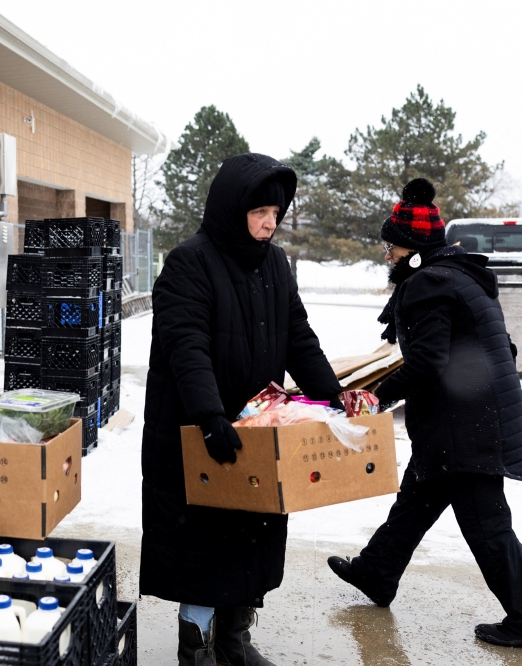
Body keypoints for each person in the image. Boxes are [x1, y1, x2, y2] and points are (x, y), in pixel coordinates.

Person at [141, 153, 343, 666]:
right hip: (197, 427)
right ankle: (197, 644)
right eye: (260, 212)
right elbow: (186, 347)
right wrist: (210, 416)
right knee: (203, 544)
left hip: (256, 429)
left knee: (250, 536)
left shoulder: (275, 264)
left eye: (276, 212)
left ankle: (234, 637)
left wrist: (332, 396)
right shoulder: (191, 261)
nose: (270, 222)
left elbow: (299, 337)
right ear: (234, 209)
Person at [327, 178, 522, 647]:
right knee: (416, 500)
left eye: (392, 248)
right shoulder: (459, 275)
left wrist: (378, 394)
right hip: (459, 422)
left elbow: (428, 360)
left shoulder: (428, 284)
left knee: (486, 525)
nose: (387, 256)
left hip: (468, 428)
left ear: (413, 249)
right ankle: (377, 572)